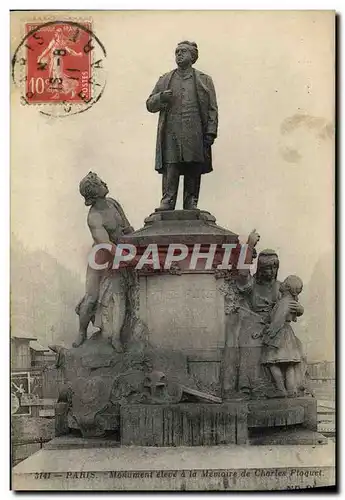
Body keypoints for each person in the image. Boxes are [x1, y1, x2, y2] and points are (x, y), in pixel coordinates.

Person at [146, 40, 218, 210]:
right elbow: (150, 104)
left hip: (195, 130)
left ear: (192, 56)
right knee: (172, 165)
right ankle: (168, 200)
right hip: (172, 130)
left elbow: (212, 109)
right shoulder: (165, 79)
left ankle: (191, 201)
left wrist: (211, 132)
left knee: (193, 164)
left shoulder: (204, 80)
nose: (178, 54)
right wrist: (161, 97)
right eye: (177, 51)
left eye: (183, 51)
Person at [73, 172, 134, 350]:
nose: (105, 183)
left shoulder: (113, 203)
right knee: (91, 298)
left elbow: (128, 229)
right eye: (100, 183)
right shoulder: (94, 217)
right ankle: (82, 331)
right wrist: (129, 257)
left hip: (119, 253)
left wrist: (136, 246)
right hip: (100, 259)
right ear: (94, 192)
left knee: (119, 295)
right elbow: (106, 245)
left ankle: (116, 337)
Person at [261, 275, 304, 397]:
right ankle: (291, 390)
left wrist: (269, 332)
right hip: (288, 334)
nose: (281, 283)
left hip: (279, 334)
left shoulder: (284, 302)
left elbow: (278, 320)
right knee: (288, 363)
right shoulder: (290, 302)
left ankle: (280, 389)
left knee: (271, 361)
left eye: (284, 283)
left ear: (287, 287)